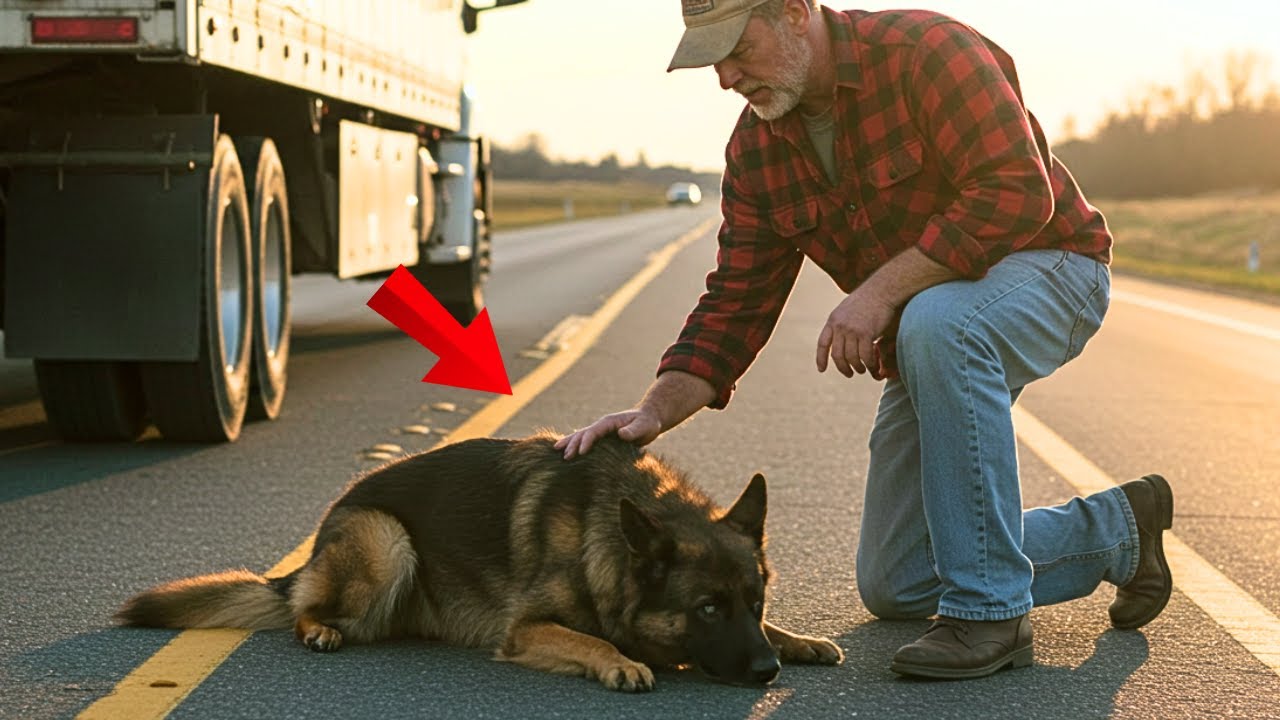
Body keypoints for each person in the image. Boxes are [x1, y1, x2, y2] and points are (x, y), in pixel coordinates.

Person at [555, 0, 1173, 680]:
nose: (726, 76)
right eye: (712, 60)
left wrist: (876, 295)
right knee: (898, 582)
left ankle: (992, 612)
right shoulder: (758, 148)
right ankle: (1118, 530)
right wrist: (653, 412)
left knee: (938, 319)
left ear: (794, 11)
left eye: (737, 49)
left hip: (1053, 268)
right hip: (929, 332)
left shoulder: (927, 51)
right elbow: (737, 300)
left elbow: (1017, 192)